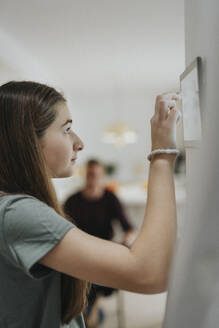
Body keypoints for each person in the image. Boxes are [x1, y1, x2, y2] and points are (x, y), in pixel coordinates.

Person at [0, 80, 181, 328]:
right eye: (66, 129)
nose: (79, 142)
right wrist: (162, 152)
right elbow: (149, 273)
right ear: (28, 140)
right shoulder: (18, 212)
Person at [63, 158, 137, 327]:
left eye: (96, 175)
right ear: (85, 176)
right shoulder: (72, 200)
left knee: (94, 276)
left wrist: (125, 246)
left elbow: (129, 230)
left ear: (103, 177)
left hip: (104, 254)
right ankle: (87, 312)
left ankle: (87, 312)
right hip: (79, 254)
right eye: (89, 174)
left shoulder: (110, 199)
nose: (92, 179)